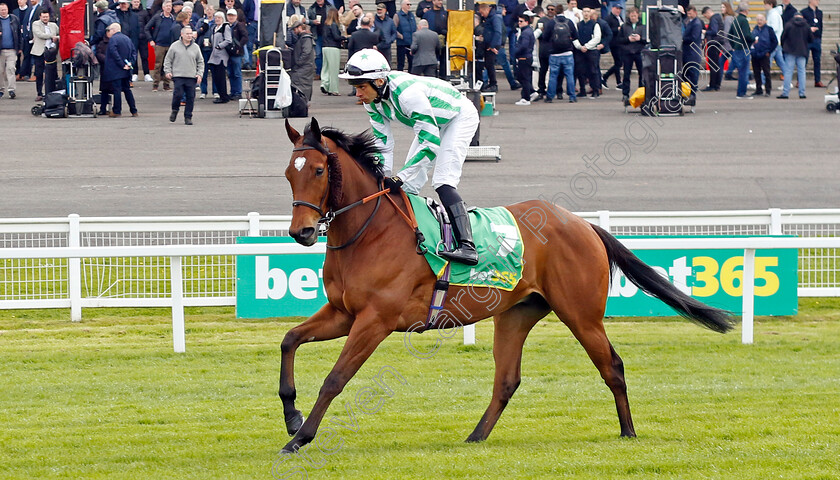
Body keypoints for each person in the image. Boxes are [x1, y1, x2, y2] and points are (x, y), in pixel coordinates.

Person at [339, 48, 481, 265]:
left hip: (458, 118)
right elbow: (383, 144)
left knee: (443, 180)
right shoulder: (372, 102)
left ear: (378, 82)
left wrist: (400, 176)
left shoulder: (408, 95)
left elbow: (431, 143)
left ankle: (467, 246)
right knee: (407, 188)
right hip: (433, 124)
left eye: (360, 87)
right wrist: (382, 177)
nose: (357, 94)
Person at [165, 24, 203, 124]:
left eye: (191, 34)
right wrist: (168, 71)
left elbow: (200, 61)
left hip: (191, 76)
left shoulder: (196, 47)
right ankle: (175, 110)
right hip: (178, 75)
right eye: (187, 34)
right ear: (182, 34)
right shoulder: (174, 46)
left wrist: (199, 74)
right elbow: (168, 60)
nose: (189, 36)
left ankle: (188, 116)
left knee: (190, 97)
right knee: (178, 95)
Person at [103, 23, 139, 117]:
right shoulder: (127, 39)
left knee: (117, 90)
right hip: (126, 70)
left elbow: (114, 53)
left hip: (116, 69)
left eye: (109, 30)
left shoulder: (113, 40)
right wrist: (130, 63)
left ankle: (117, 111)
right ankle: (133, 110)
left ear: (114, 30)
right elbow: (134, 52)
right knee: (127, 90)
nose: (108, 32)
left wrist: (122, 64)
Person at [778, 12, 812, 99]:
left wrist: (784, 47)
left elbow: (783, 37)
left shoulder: (788, 24)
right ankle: (802, 93)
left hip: (790, 51)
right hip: (802, 51)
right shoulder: (806, 25)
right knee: (801, 72)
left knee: (788, 72)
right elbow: (811, 39)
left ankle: (785, 93)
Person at [146, 0, 177, 91]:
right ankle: (155, 84)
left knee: (168, 65)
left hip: (170, 45)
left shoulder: (173, 18)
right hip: (159, 44)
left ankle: (166, 84)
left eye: (170, 6)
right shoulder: (157, 17)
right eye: (167, 6)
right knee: (158, 65)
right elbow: (147, 28)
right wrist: (151, 40)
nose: (168, 8)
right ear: (163, 7)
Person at [618, 6, 644, 103]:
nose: (633, 17)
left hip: (639, 52)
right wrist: (627, 39)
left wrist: (640, 38)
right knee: (626, 74)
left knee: (642, 73)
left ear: (638, 15)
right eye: (631, 16)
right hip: (627, 53)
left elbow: (647, 40)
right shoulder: (624, 26)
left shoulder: (643, 26)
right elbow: (619, 40)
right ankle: (625, 94)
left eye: (634, 15)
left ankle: (641, 92)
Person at [573, 7, 600, 98]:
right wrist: (580, 47)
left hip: (591, 51)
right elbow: (574, 37)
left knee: (593, 71)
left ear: (590, 14)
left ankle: (595, 90)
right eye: (584, 11)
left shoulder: (595, 24)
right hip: (580, 51)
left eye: (588, 12)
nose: (586, 13)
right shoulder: (578, 25)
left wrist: (587, 46)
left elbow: (597, 38)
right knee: (580, 71)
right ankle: (582, 90)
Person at [30, 9, 57, 100]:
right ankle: (39, 93)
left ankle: (51, 92)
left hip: (51, 52)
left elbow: (60, 34)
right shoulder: (35, 24)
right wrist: (52, 36)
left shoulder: (53, 25)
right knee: (39, 73)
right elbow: (40, 34)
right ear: (40, 17)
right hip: (39, 52)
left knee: (52, 73)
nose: (45, 18)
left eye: (47, 17)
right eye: (43, 17)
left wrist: (57, 37)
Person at [477, 0, 502, 92]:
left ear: (486, 10)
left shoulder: (495, 18)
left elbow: (497, 32)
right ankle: (491, 83)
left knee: (490, 64)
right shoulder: (489, 18)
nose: (482, 15)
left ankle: (493, 84)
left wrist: (492, 46)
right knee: (488, 64)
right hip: (488, 44)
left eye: (482, 13)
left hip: (492, 45)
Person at [729, 3, 753, 99]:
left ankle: (740, 92)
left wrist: (733, 45)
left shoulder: (735, 20)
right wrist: (754, 39)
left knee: (741, 71)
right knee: (744, 72)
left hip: (737, 49)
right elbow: (747, 35)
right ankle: (742, 93)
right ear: (746, 10)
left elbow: (729, 35)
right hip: (744, 48)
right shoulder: (744, 21)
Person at [750, 13, 777, 96]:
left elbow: (775, 42)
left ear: (765, 21)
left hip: (764, 54)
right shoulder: (754, 29)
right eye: (758, 20)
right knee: (756, 73)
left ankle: (768, 90)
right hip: (755, 54)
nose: (759, 21)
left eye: (761, 20)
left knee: (766, 72)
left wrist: (769, 52)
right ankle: (759, 89)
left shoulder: (769, 29)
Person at [289, 17, 315, 101]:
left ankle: (304, 101)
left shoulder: (305, 38)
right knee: (303, 83)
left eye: (295, 29)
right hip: (305, 66)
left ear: (300, 27)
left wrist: (299, 62)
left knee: (302, 84)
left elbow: (306, 52)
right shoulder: (304, 38)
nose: (294, 32)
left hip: (304, 66)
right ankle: (303, 100)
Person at [207, 10, 231, 103]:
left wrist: (219, 46)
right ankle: (221, 95)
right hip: (214, 55)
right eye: (216, 17)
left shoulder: (226, 27)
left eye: (219, 18)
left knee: (221, 77)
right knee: (216, 77)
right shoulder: (214, 28)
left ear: (223, 19)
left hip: (221, 55)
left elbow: (228, 40)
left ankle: (224, 97)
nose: (217, 19)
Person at [115, 0, 140, 82]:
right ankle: (120, 79)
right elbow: (109, 8)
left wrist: (136, 41)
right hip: (119, 40)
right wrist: (117, 3)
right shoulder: (116, 13)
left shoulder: (134, 15)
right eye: (121, 4)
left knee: (130, 60)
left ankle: (129, 80)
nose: (123, 5)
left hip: (131, 41)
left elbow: (137, 29)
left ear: (128, 5)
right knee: (120, 59)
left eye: (124, 3)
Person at [799, 0, 823, 87]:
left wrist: (820, 36)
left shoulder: (819, 12)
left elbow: (821, 25)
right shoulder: (804, 12)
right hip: (807, 40)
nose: (818, 1)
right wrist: (809, 29)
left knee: (817, 60)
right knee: (803, 60)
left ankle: (817, 80)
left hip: (816, 39)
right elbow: (802, 25)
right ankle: (800, 80)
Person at [513, 13, 536, 105]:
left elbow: (524, 46)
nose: (519, 23)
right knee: (522, 77)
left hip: (524, 57)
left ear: (527, 22)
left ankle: (526, 98)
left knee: (524, 77)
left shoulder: (526, 32)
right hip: (526, 57)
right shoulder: (527, 31)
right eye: (518, 21)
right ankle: (532, 92)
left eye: (521, 21)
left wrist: (516, 52)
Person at [319, 7, 342, 95]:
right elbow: (336, 37)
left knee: (326, 68)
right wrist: (344, 38)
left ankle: (325, 84)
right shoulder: (334, 25)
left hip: (325, 47)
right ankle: (334, 89)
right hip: (333, 48)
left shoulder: (325, 24)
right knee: (334, 70)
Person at [0, 3, 21, 99]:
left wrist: (20, 47)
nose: (3, 11)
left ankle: (11, 90)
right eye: (1, 10)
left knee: (11, 69)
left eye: (4, 9)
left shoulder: (14, 19)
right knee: (0, 71)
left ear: (7, 9)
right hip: (0, 51)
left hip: (12, 49)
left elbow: (19, 35)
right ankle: (1, 89)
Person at [196, 3, 216, 98]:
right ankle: (203, 91)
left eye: (210, 10)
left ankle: (215, 91)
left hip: (213, 50)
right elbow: (196, 33)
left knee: (214, 70)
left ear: (214, 11)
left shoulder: (216, 21)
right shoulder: (201, 21)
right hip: (203, 49)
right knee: (203, 71)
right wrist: (202, 28)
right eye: (207, 10)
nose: (209, 11)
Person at [701, 6, 723, 91]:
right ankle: (716, 84)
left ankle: (713, 85)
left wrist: (705, 32)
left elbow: (714, 31)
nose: (706, 18)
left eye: (705, 16)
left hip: (713, 44)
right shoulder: (718, 18)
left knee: (713, 65)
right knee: (716, 64)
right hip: (717, 43)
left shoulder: (713, 19)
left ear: (707, 13)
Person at [226, 8, 246, 99]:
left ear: (236, 17)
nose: (231, 17)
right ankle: (233, 92)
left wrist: (239, 47)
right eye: (229, 15)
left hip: (237, 53)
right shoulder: (226, 26)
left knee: (237, 73)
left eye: (232, 16)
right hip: (228, 53)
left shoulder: (240, 26)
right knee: (230, 73)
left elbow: (245, 37)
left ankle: (238, 92)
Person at [681, 5, 702, 97]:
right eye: (688, 13)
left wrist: (683, 39)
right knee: (686, 73)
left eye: (690, 13)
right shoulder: (688, 22)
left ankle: (693, 93)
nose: (689, 15)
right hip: (687, 52)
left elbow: (694, 37)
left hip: (693, 52)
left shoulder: (697, 23)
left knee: (693, 73)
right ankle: (687, 92)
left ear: (695, 12)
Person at [763, 0, 785, 84]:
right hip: (777, 43)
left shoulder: (773, 15)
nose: (764, 6)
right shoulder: (774, 14)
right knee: (781, 64)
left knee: (767, 62)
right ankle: (788, 80)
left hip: (773, 42)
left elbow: (774, 28)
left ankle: (762, 81)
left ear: (770, 5)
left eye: (765, 4)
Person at [132, 0, 154, 82]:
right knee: (134, 57)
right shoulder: (129, 12)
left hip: (143, 37)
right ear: (132, 3)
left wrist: (149, 37)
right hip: (133, 38)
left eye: (137, 2)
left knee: (145, 56)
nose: (136, 3)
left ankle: (146, 74)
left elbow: (148, 25)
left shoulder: (144, 13)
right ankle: (134, 74)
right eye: (135, 2)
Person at [602, 3, 623, 90]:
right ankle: (605, 76)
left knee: (618, 63)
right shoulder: (608, 18)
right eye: (617, 8)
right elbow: (607, 31)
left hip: (620, 43)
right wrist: (617, 29)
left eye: (619, 9)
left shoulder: (620, 18)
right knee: (619, 63)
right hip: (614, 43)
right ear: (612, 8)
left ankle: (618, 82)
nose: (618, 10)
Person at [307, 0, 328, 76]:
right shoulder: (312, 8)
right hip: (317, 35)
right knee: (318, 54)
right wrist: (313, 22)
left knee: (326, 55)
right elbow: (306, 20)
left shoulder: (329, 7)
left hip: (327, 36)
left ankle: (326, 73)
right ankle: (319, 73)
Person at [393, 0, 415, 72]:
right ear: (402, 6)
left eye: (410, 4)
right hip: (401, 44)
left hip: (411, 43)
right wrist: (400, 36)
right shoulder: (397, 15)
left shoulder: (411, 15)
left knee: (411, 62)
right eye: (407, 4)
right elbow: (393, 29)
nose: (409, 6)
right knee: (401, 63)